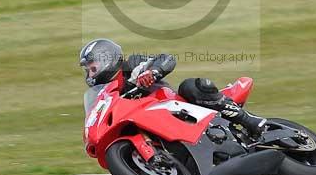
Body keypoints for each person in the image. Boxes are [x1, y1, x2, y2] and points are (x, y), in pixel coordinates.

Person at [79, 38, 265, 136]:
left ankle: (250, 121)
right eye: (88, 71)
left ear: (107, 60)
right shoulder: (108, 95)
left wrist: (153, 73)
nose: (90, 74)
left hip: (174, 106)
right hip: (151, 125)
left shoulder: (133, 65)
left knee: (191, 86)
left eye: (92, 68)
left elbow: (167, 59)